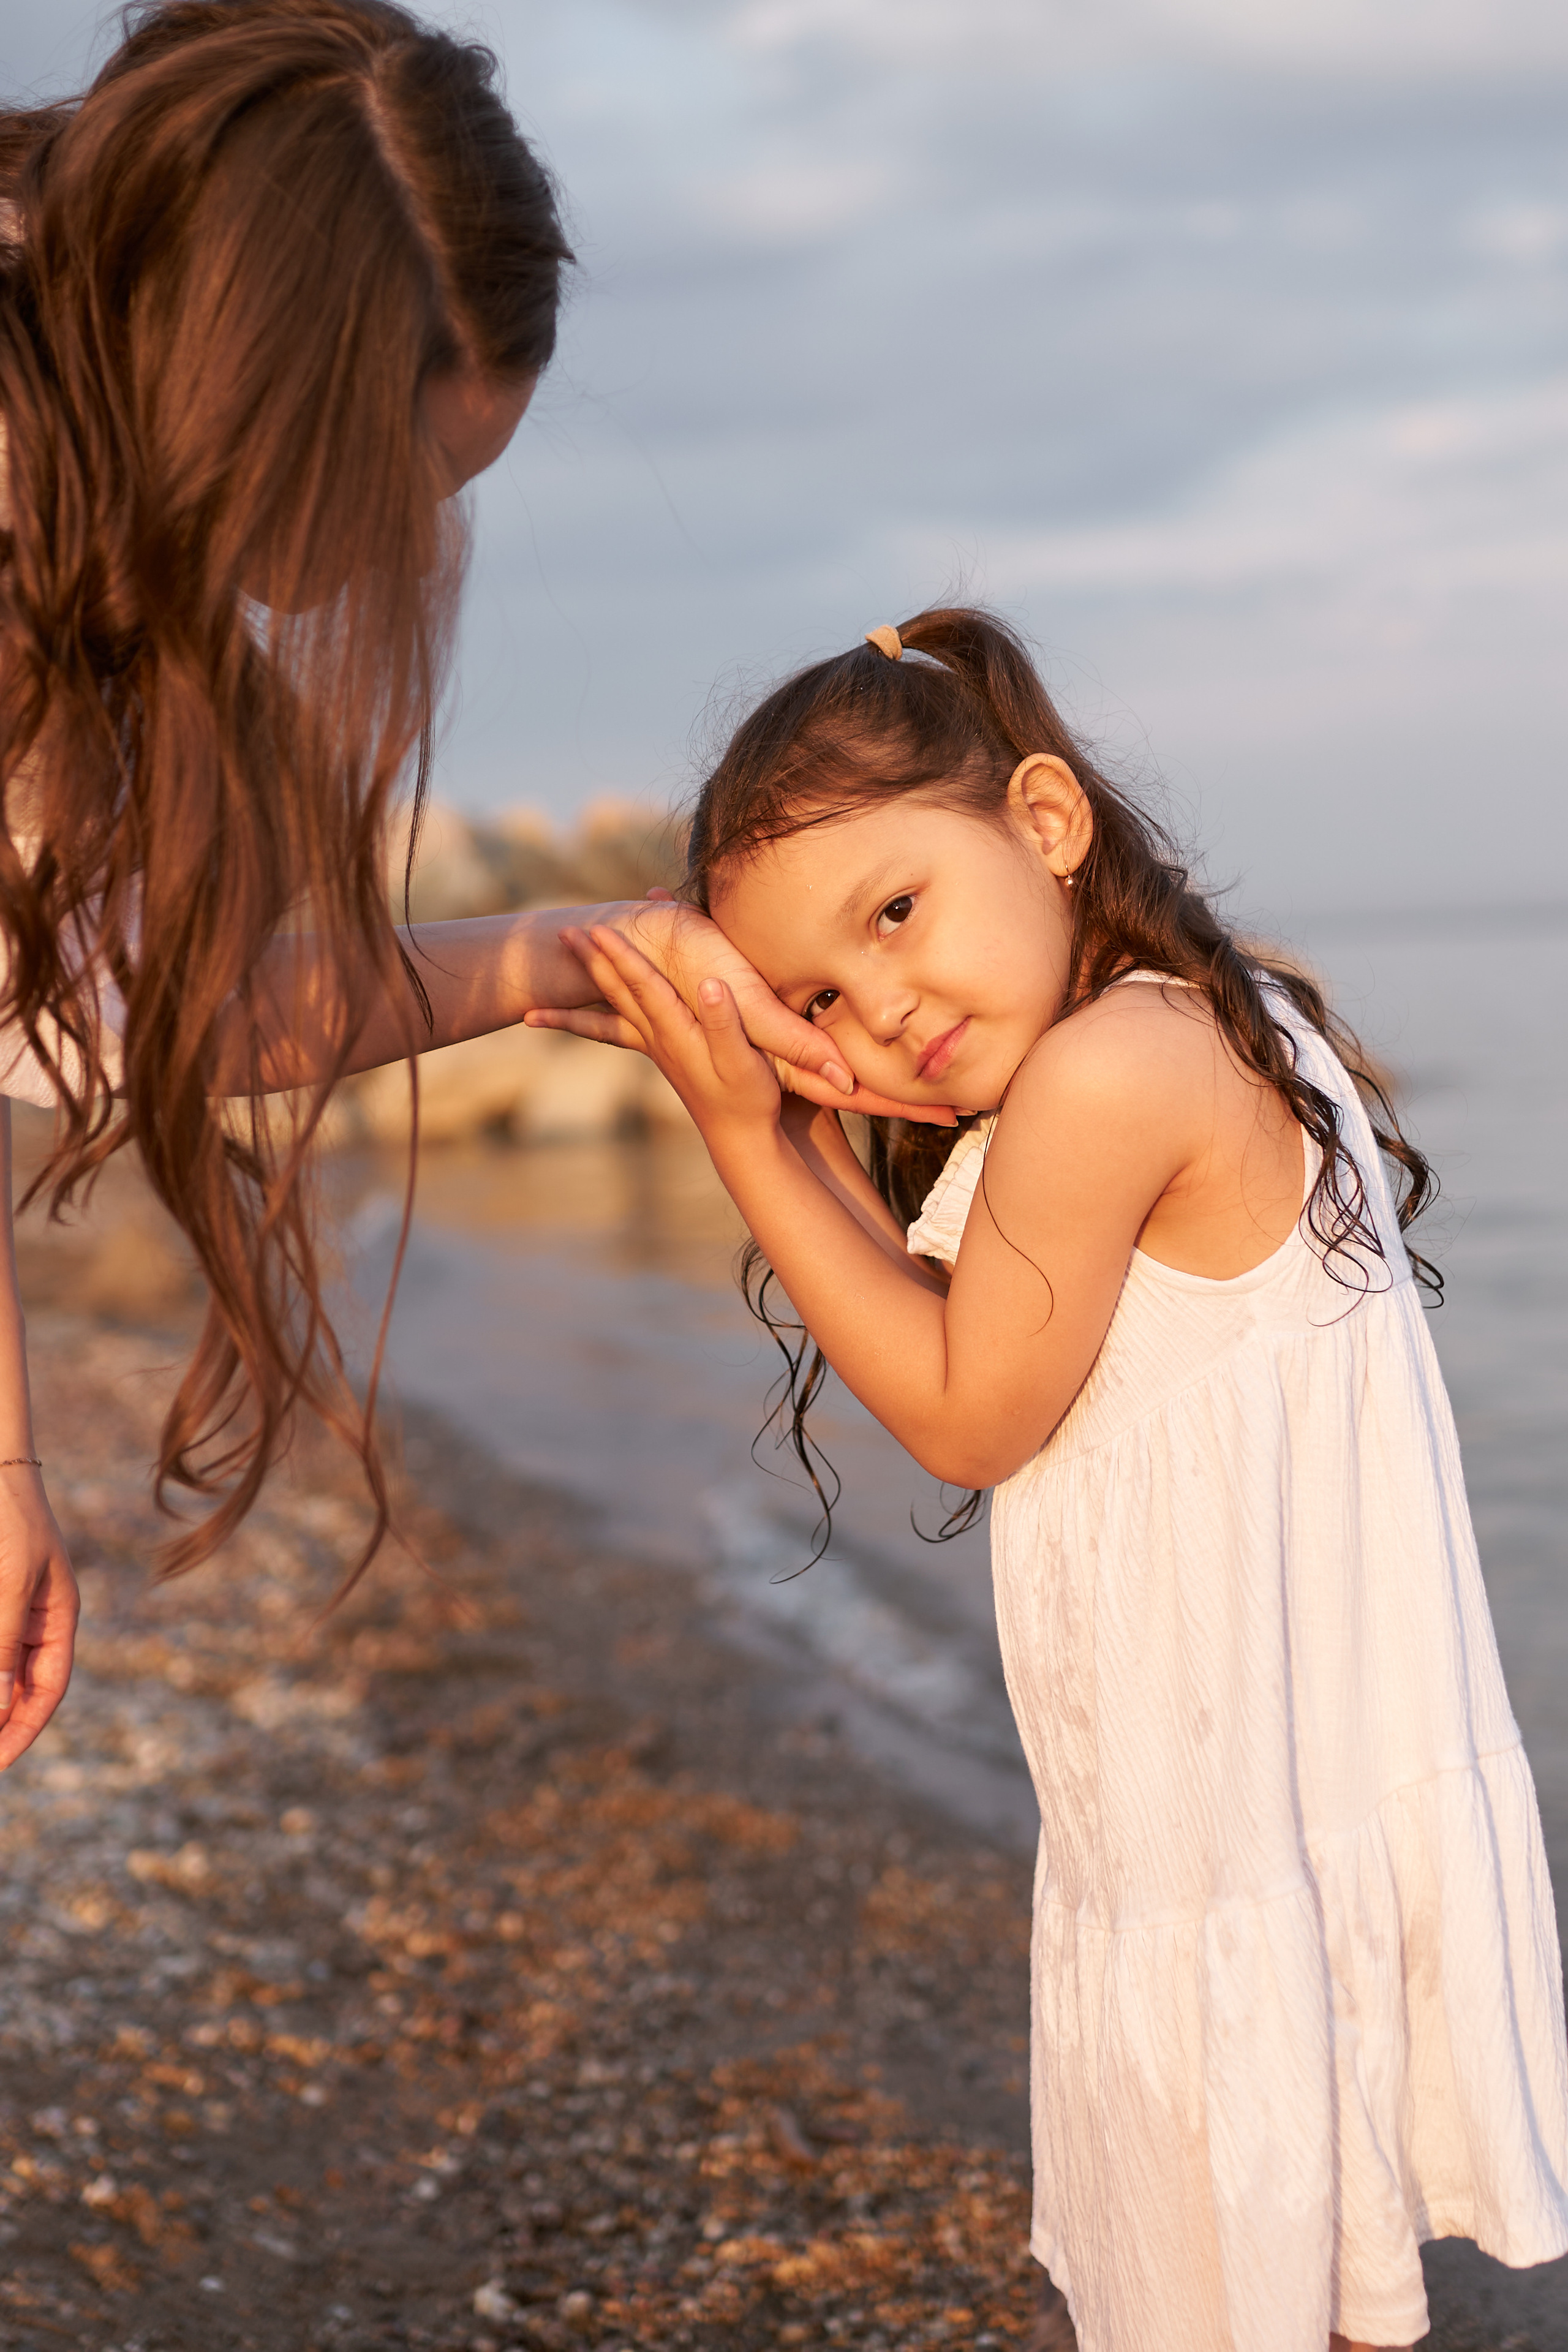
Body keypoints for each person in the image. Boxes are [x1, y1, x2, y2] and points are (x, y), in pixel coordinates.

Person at [537, 606, 1568, 2352]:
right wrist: (777, 1105)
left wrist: (740, 1131)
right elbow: (964, 1336)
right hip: (1271, 1821)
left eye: (896, 912)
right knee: (1296, 2290)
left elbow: (962, 1415)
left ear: (1043, 821)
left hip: (1226, 1849)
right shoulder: (1194, 1019)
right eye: (816, 1003)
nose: (886, 1010)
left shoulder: (1108, 1076)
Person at [0, 0, 923, 1773]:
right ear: (256, 380)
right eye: (410, 474)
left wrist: (546, 963)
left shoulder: (83, 508)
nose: (401, 544)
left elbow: (126, 1018)